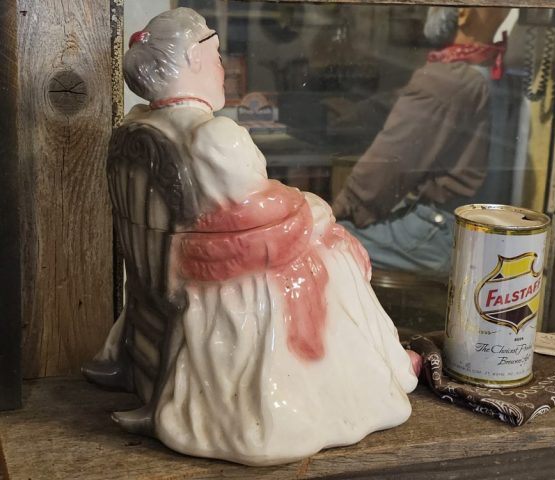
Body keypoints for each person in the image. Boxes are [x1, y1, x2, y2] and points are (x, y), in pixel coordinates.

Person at [84, 8, 418, 466]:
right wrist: (313, 210)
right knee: (334, 257)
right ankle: (370, 378)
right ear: (193, 61)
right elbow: (262, 212)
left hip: (166, 272)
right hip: (221, 280)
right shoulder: (216, 136)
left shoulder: (137, 127)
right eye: (217, 54)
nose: (224, 66)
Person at [332, 7, 511, 274]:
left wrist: (338, 211)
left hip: (440, 233)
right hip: (474, 227)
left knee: (327, 243)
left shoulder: (451, 79)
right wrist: (360, 111)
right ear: (462, 13)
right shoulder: (480, 70)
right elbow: (414, 102)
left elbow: (387, 164)